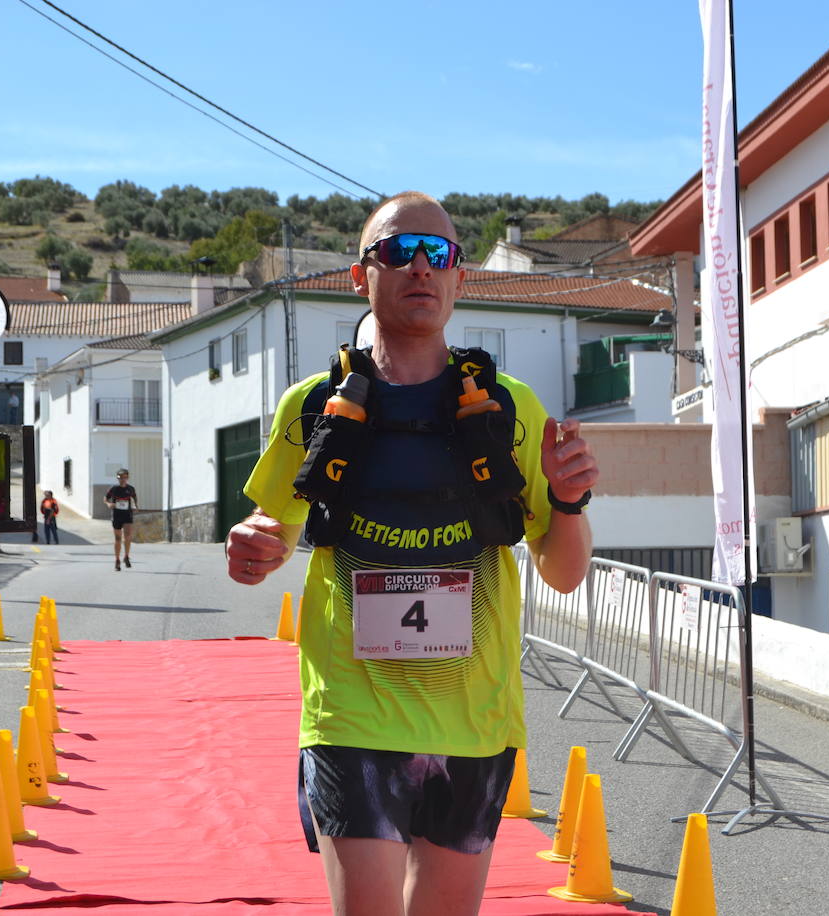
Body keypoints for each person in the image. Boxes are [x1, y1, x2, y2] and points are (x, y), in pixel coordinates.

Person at [226, 191, 597, 916]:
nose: (421, 268)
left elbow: (563, 571)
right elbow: (273, 527)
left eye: (440, 254)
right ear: (360, 276)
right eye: (399, 252)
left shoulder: (510, 408)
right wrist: (252, 549)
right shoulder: (313, 404)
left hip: (475, 720)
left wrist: (571, 502)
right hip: (351, 715)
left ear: (460, 279)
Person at [103, 469, 138, 570]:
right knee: (118, 539)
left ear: (127, 477)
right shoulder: (114, 489)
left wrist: (135, 507)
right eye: (120, 477)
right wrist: (108, 504)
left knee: (127, 536)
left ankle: (126, 556)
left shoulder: (131, 489)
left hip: (127, 515)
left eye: (124, 477)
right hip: (117, 515)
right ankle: (117, 560)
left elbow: (134, 499)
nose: (122, 479)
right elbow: (105, 498)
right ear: (117, 478)